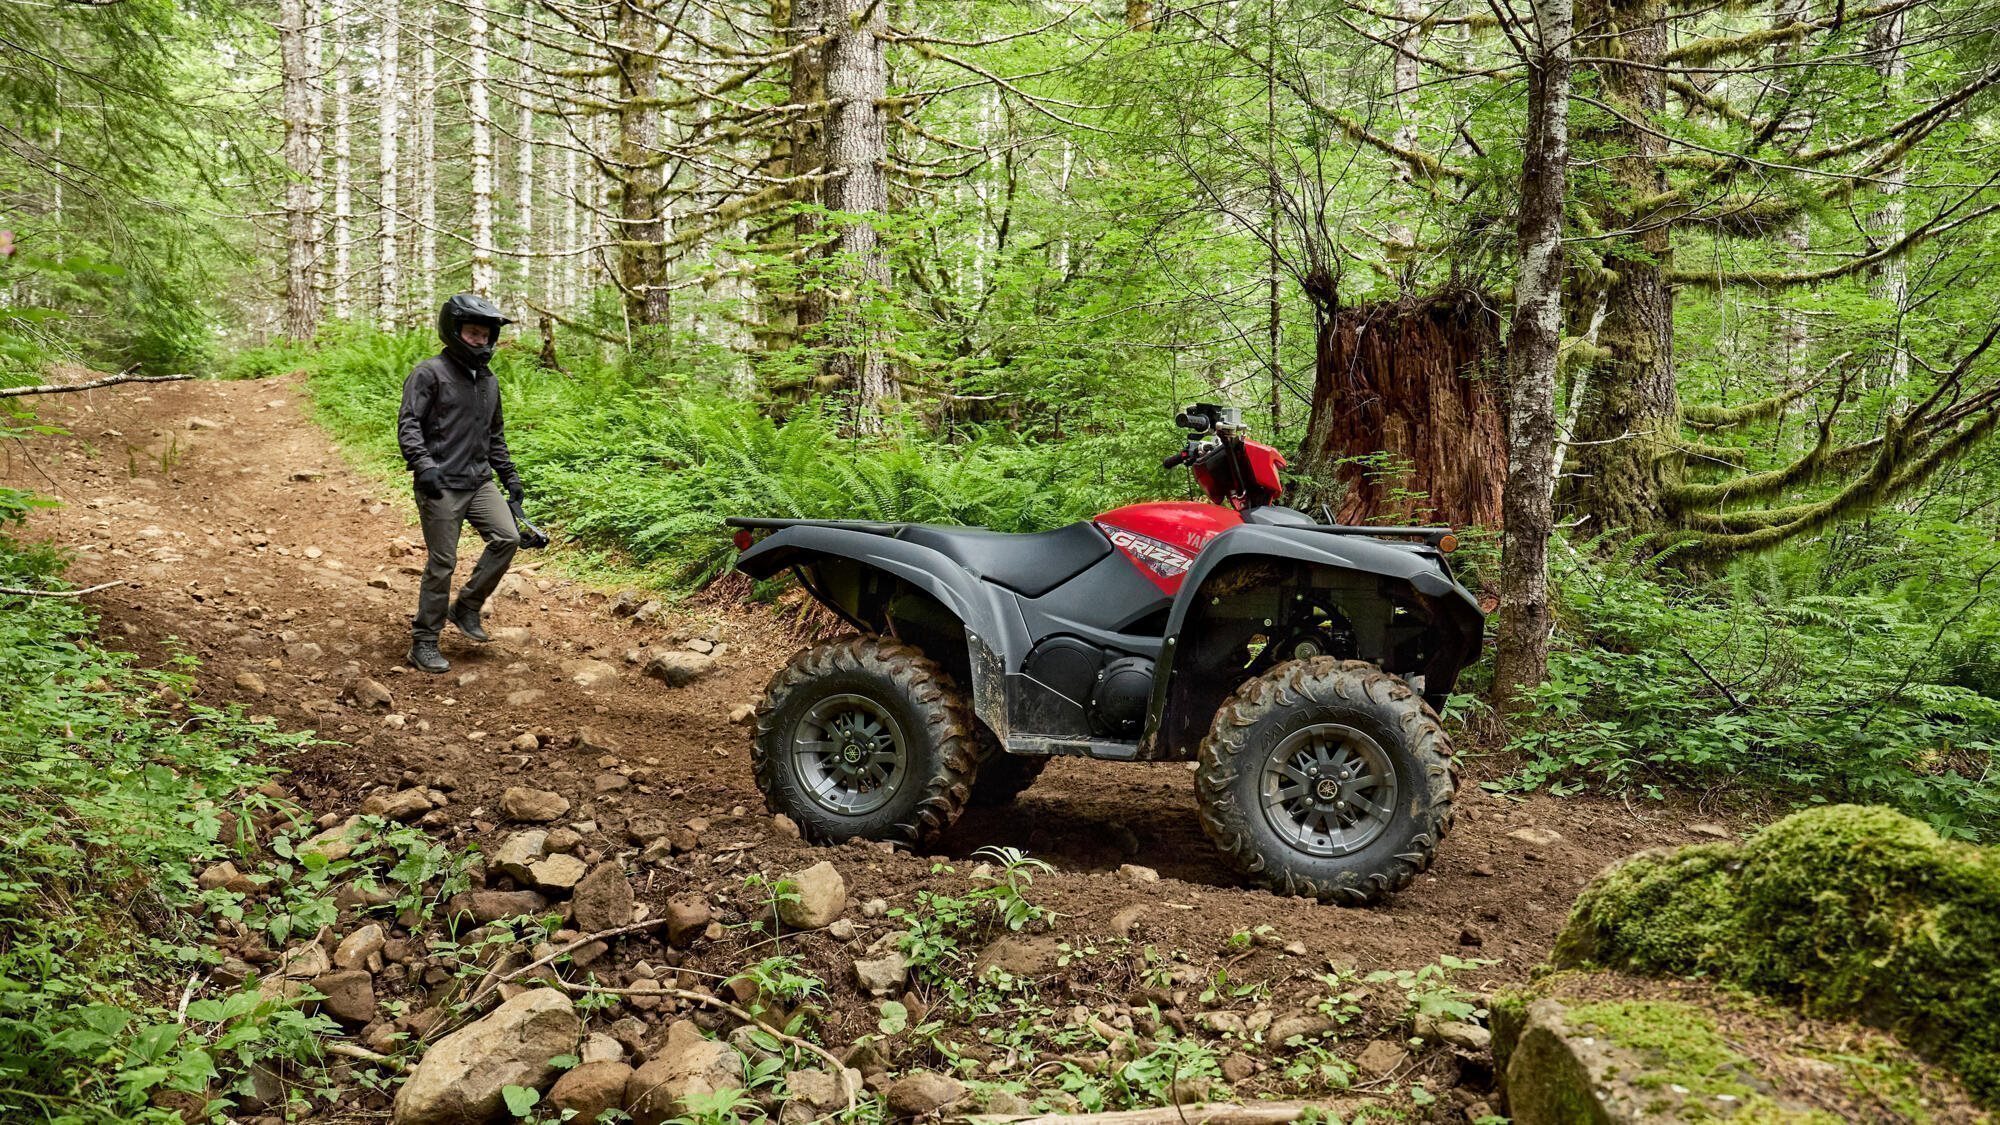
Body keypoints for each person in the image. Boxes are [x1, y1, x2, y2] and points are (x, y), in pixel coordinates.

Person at [397, 293, 526, 674]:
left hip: (479, 481)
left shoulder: (488, 380)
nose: (479, 340)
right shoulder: (429, 373)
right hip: (440, 483)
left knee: (507, 538)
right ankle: (424, 641)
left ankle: (467, 607)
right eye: (472, 333)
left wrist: (509, 476)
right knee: (442, 563)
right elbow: (408, 424)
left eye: (485, 335)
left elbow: (495, 435)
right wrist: (424, 466)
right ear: (454, 331)